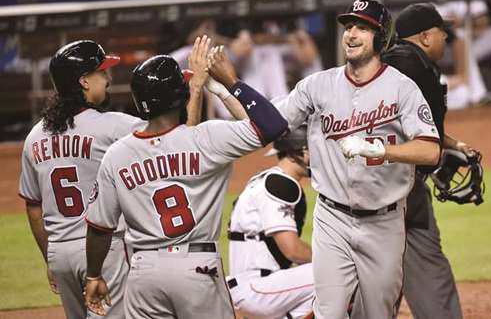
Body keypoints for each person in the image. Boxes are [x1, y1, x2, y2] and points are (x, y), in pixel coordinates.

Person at [83, 37, 288, 318]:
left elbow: (99, 228)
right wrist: (226, 85)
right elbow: (271, 126)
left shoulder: (117, 154)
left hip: (145, 273)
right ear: (180, 96)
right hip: (198, 268)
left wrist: (93, 274)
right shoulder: (208, 139)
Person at [275, 0, 441, 318]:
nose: (351, 34)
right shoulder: (317, 85)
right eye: (349, 27)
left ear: (380, 38)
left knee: (377, 313)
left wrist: (380, 149)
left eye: (362, 28)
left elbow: (430, 150)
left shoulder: (402, 89)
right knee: (329, 311)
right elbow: (271, 120)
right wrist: (229, 87)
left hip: (385, 222)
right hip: (332, 218)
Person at [18, 40, 144, 318]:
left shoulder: (34, 137)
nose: (108, 80)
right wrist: (195, 91)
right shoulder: (113, 125)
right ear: (84, 82)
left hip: (60, 254)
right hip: (102, 250)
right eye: (102, 73)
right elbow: (174, 139)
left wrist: (49, 258)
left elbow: (33, 206)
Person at [383, 2, 479, 319]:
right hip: (389, 185)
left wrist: (452, 145)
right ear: (425, 37)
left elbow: (421, 128)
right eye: (442, 34)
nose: (446, 40)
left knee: (393, 266)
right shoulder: (404, 67)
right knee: (392, 267)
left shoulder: (412, 64)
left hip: (400, 187)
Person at [227, 124, 314, 319]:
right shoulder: (279, 184)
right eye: (312, 149)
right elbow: (291, 249)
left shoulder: (264, 180)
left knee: (323, 291)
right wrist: (330, 259)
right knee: (334, 274)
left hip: (255, 285)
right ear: (294, 153)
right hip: (256, 287)